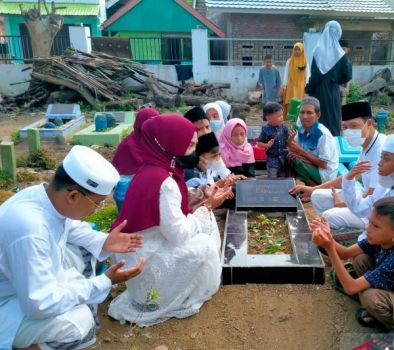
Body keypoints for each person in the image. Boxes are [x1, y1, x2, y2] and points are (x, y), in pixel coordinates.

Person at [0, 146, 145, 349]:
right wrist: (105, 281)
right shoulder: (30, 228)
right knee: (80, 320)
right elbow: (39, 304)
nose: (97, 209)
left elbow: (68, 226)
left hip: (19, 285)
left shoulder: (43, 196)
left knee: (83, 262)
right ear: (73, 196)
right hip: (7, 303)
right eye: (98, 203)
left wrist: (104, 241)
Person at [108, 115, 233, 326]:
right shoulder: (164, 181)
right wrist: (208, 207)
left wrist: (203, 199)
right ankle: (171, 299)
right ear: (172, 143)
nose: (194, 151)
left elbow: (171, 212)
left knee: (204, 229)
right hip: (145, 267)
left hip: (140, 255)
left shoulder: (153, 168)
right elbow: (178, 234)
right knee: (204, 244)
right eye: (190, 145)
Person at [311, 197, 394, 330]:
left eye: (376, 226)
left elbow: (351, 288)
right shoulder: (383, 239)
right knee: (360, 258)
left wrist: (329, 247)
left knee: (369, 297)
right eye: (369, 222)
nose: (368, 229)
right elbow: (345, 254)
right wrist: (328, 237)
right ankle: (378, 302)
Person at [295, 101, 386, 232]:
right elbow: (349, 177)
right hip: (365, 198)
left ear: (369, 123)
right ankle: (344, 228)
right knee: (317, 195)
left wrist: (344, 204)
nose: (349, 131)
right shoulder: (367, 145)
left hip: (378, 211)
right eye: (345, 127)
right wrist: (312, 189)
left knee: (329, 216)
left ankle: (359, 233)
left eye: (354, 126)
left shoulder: (381, 151)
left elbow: (374, 197)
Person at [306, 21, 351, 136]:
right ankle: (333, 144)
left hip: (318, 91)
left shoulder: (318, 51)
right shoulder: (340, 54)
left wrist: (308, 89)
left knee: (318, 116)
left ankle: (316, 146)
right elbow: (347, 75)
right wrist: (335, 80)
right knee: (333, 117)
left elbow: (314, 75)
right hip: (332, 91)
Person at [286, 97, 338, 185]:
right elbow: (292, 148)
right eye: (302, 112)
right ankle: (297, 183)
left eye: (309, 113)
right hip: (310, 167)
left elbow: (323, 164)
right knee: (285, 154)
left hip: (323, 174)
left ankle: (311, 187)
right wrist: (289, 142)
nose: (304, 116)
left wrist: (299, 150)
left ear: (318, 115)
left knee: (292, 157)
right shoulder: (301, 130)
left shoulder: (323, 135)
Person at [112, 107, 159, 175]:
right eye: (150, 124)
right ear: (141, 124)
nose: (154, 128)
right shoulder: (128, 145)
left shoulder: (151, 140)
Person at [257, 102, 289, 178]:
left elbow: (288, 141)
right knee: (272, 177)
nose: (281, 118)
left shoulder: (284, 128)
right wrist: (267, 145)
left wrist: (290, 140)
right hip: (272, 159)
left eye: (282, 115)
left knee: (283, 176)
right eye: (278, 116)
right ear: (268, 118)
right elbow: (259, 143)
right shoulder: (265, 129)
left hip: (283, 158)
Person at [282, 42, 309, 118]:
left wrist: (306, 85)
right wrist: (284, 84)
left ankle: (299, 117)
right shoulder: (289, 61)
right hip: (291, 84)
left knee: (300, 101)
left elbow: (307, 74)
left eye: (298, 50)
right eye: (295, 49)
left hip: (301, 85)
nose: (297, 51)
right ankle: (289, 117)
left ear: (302, 51)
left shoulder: (305, 62)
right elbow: (286, 73)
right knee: (290, 100)